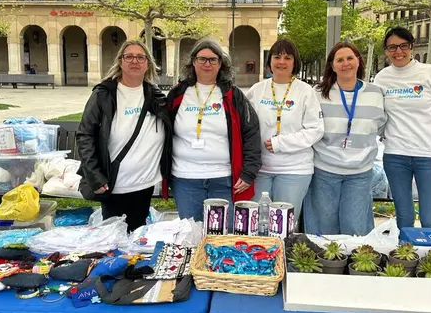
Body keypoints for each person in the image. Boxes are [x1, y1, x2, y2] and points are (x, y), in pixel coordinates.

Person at [75, 40, 171, 231]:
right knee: (114, 241)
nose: (135, 61)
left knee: (137, 240)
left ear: (148, 64)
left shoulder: (155, 96)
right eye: (129, 56)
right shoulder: (103, 95)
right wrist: (94, 176)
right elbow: (85, 135)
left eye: (140, 57)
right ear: (120, 62)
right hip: (113, 185)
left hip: (144, 184)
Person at [166, 38, 261, 229]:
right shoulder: (178, 94)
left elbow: (251, 132)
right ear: (193, 62)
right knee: (191, 235)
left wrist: (249, 171)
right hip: (185, 178)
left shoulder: (233, 95)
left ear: (221, 64)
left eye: (213, 60)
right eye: (202, 59)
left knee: (222, 236)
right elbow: (162, 130)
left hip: (223, 178)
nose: (207, 64)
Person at [373, 27, 431, 229]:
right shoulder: (381, 78)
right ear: (386, 51)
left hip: (428, 156)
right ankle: (406, 259)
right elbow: (377, 117)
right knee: (404, 218)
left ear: (412, 47)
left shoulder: (430, 73)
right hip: (395, 156)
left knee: (430, 219)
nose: (398, 52)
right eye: (392, 47)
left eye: (403, 46)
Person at [304, 42, 386, 236]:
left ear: (359, 61)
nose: (346, 63)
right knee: (324, 229)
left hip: (360, 172)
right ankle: (326, 266)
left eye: (350, 58)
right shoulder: (318, 94)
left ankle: (352, 266)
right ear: (332, 66)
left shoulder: (375, 93)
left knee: (355, 228)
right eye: (339, 60)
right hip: (325, 169)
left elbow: (381, 125)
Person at [245, 39, 323, 223]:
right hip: (260, 169)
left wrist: (281, 143)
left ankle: (281, 253)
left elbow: (315, 129)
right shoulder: (257, 90)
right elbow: (245, 127)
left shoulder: (305, 91)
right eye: (277, 56)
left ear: (295, 62)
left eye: (288, 57)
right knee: (255, 223)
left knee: (282, 225)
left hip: (294, 169)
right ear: (269, 61)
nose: (282, 61)